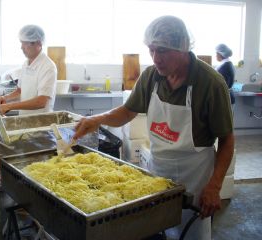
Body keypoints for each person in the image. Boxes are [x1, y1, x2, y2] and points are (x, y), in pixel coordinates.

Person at [73, 16, 234, 240]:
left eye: (163, 51)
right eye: (151, 50)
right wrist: (97, 120)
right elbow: (128, 112)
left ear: (183, 47)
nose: (156, 58)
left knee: (191, 233)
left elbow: (227, 140)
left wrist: (214, 186)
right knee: (157, 229)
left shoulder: (211, 84)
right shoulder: (151, 76)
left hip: (196, 176)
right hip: (158, 171)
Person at [0, 25, 57, 115]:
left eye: (25, 43)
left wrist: (10, 106)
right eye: (21, 43)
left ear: (39, 43)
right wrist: (5, 98)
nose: (22, 47)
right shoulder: (26, 63)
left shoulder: (48, 66)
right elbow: (20, 91)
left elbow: (41, 101)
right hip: (25, 119)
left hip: (40, 122)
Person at [215, 43, 236, 112]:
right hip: (227, 97)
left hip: (225, 98)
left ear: (220, 54)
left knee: (224, 122)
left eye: (216, 53)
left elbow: (220, 84)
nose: (215, 56)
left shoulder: (225, 66)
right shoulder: (227, 64)